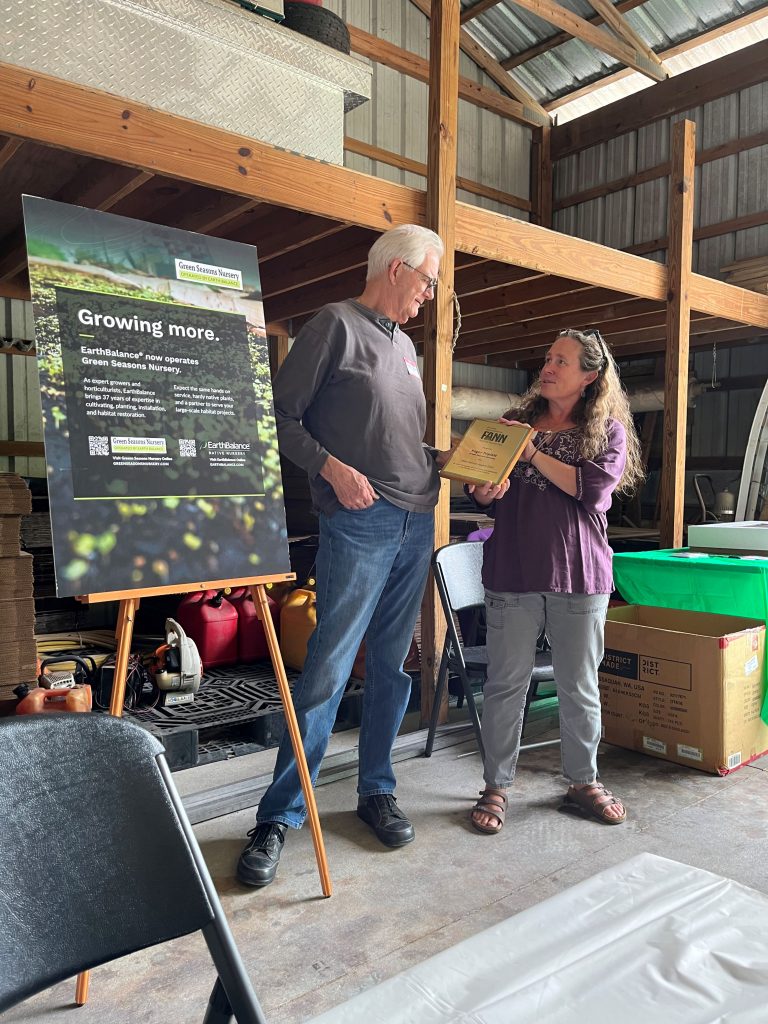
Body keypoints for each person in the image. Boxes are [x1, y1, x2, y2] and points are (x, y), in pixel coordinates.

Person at [237, 223, 446, 888]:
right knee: (327, 668)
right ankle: (278, 815)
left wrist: (461, 466)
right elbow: (277, 416)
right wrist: (330, 467)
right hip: (359, 523)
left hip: (416, 521)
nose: (430, 294)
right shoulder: (335, 325)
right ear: (395, 269)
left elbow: (401, 442)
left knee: (392, 665)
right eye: (428, 280)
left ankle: (375, 790)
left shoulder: (407, 348)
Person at [467, 328, 644, 835]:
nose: (547, 367)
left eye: (560, 361)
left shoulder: (606, 430)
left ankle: (582, 781)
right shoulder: (514, 424)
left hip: (580, 575)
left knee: (580, 687)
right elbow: (484, 495)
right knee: (503, 687)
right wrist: (485, 487)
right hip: (513, 572)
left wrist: (531, 455)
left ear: (590, 376)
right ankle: (496, 785)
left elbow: (591, 491)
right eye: (547, 358)